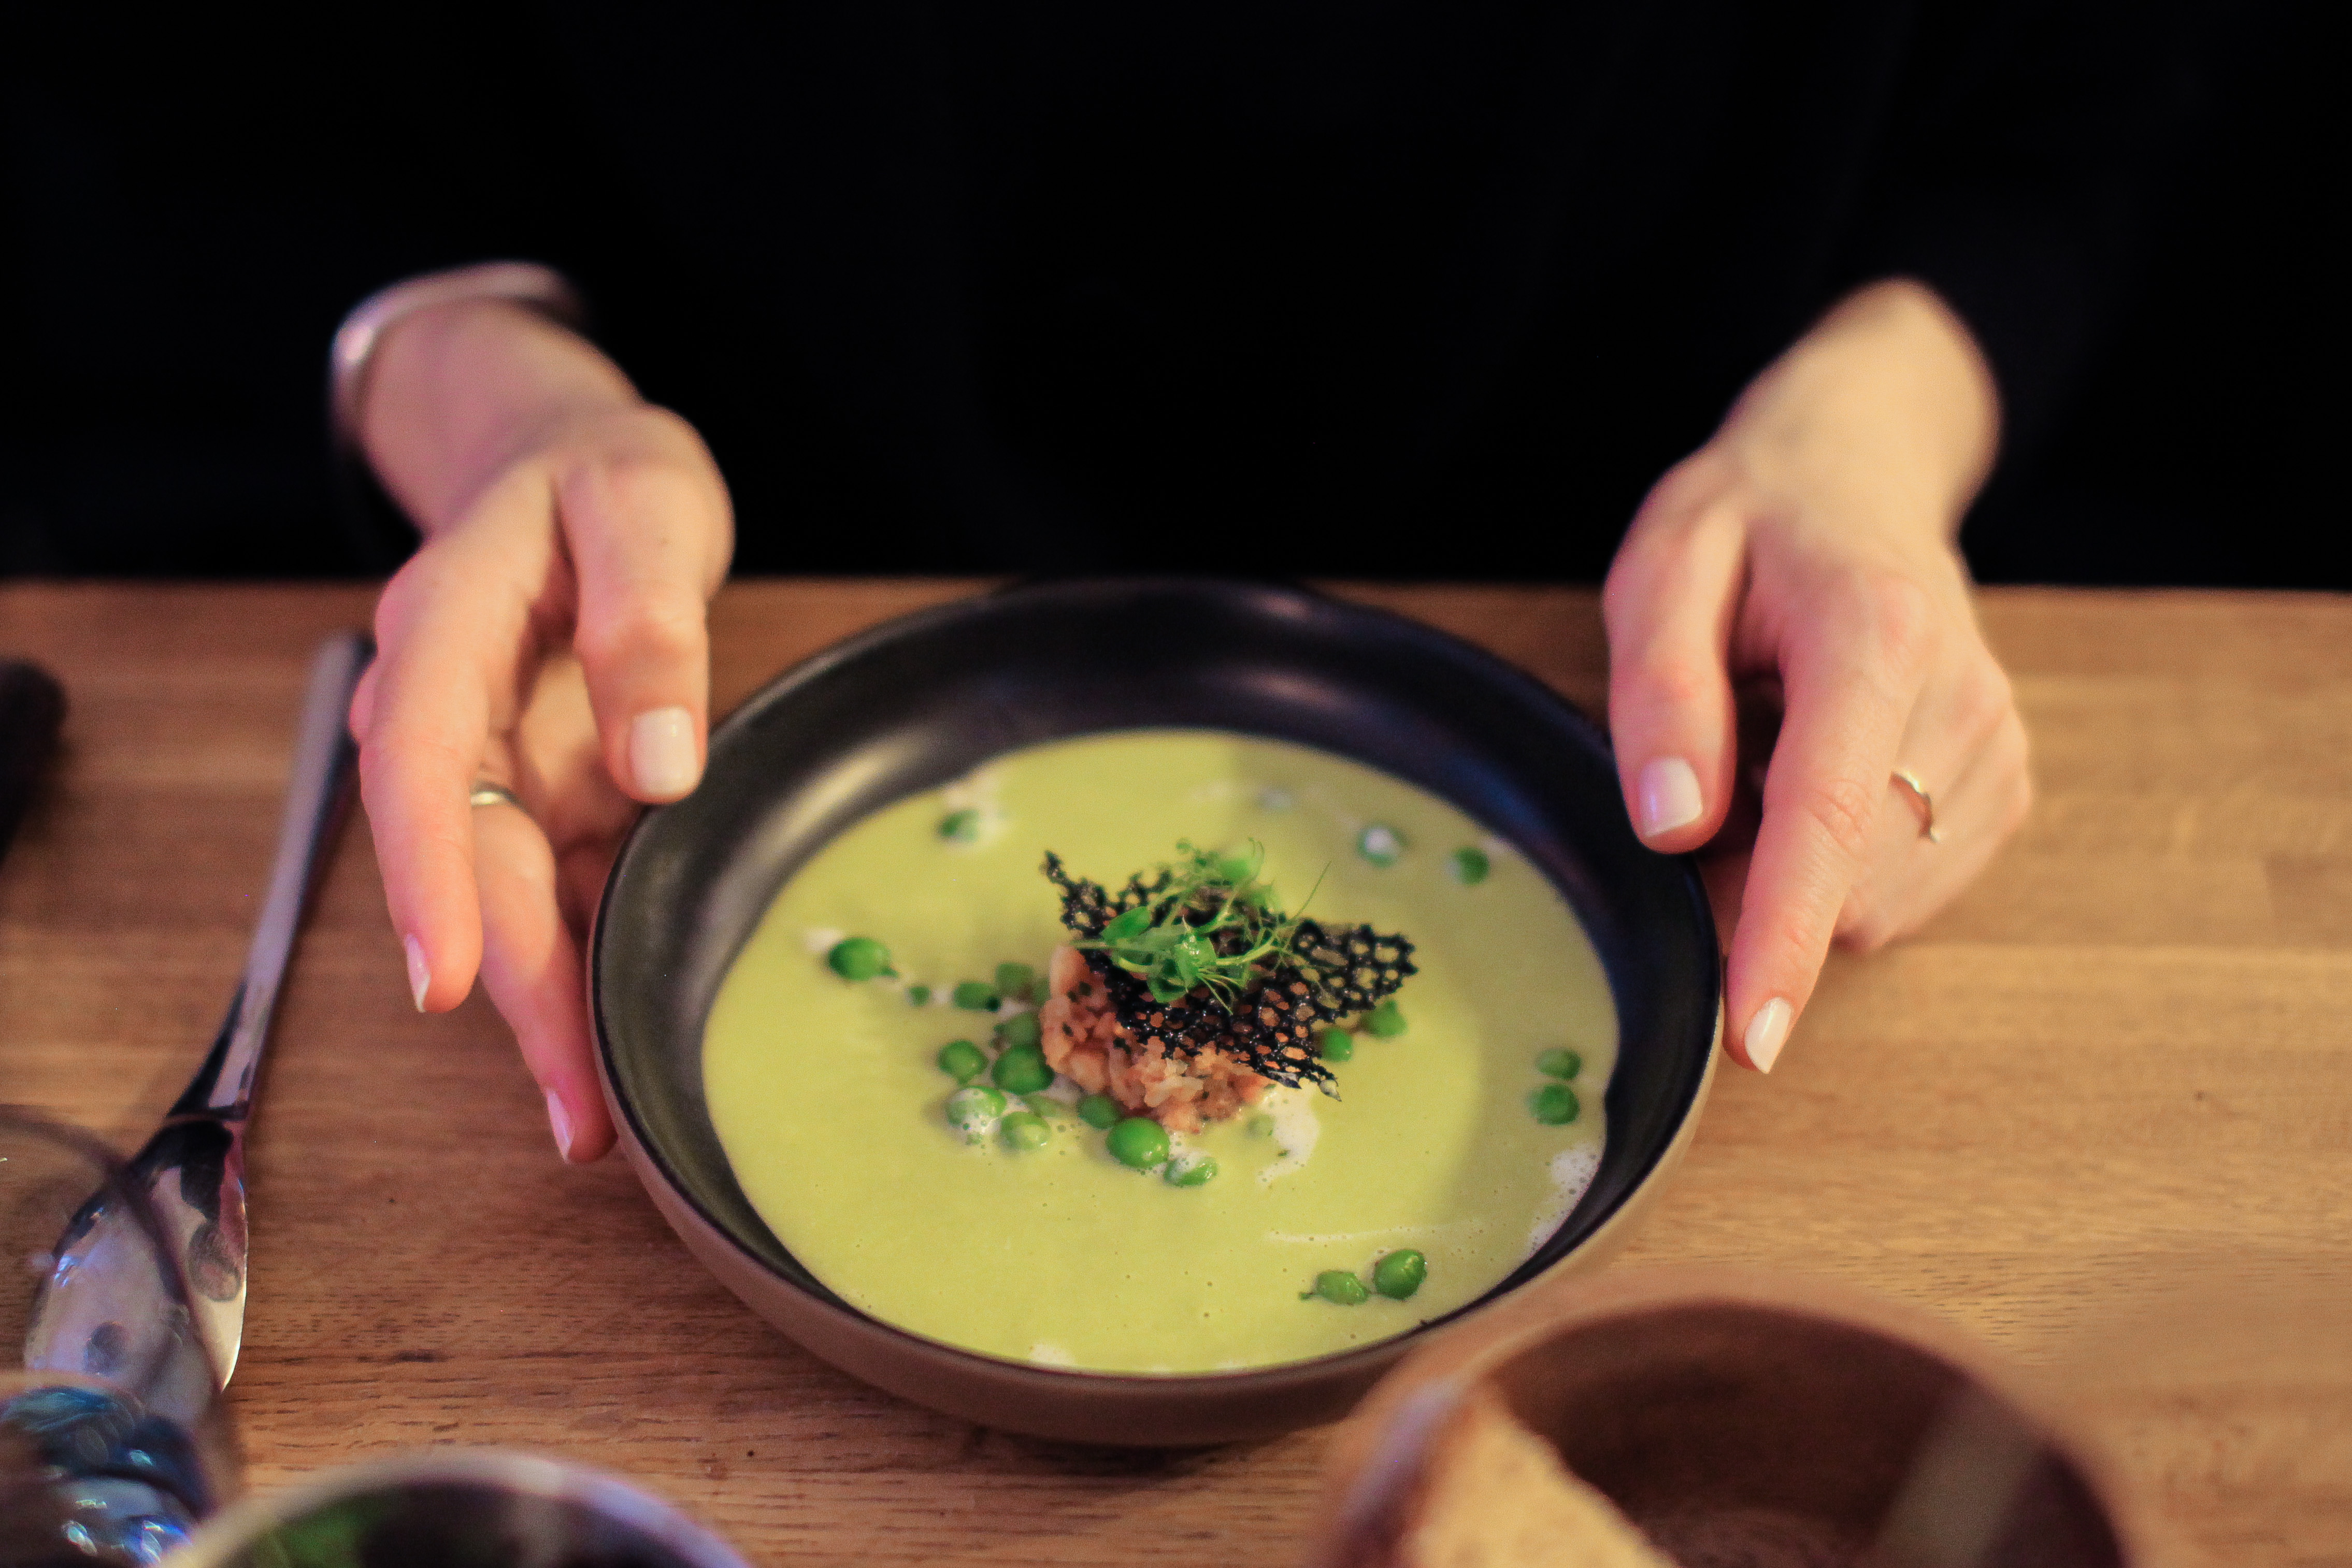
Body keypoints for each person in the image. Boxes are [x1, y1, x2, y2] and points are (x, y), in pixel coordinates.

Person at [338, 2, 2149, 1163]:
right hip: (763, 590)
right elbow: (234, 91)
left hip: (1621, 622)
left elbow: (2117, 83)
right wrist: (501, 408)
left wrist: (1870, 425)